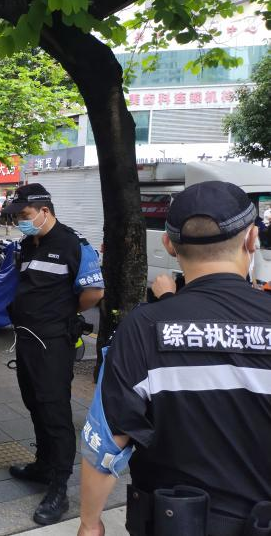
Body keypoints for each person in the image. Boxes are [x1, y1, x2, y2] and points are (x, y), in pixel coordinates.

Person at [78, 181, 271, 536]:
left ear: (168, 244)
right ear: (251, 238)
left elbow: (106, 440)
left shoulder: (143, 328)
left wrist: (90, 525)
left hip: (173, 523)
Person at [1, 183, 105, 525]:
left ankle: (59, 488)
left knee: (55, 412)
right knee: (34, 404)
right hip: (27, 340)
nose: (20, 221)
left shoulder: (73, 244)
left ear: (45, 211)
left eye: (25, 214)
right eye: (17, 216)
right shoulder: (29, 244)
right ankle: (43, 465)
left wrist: (62, 313)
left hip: (53, 343)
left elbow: (93, 292)